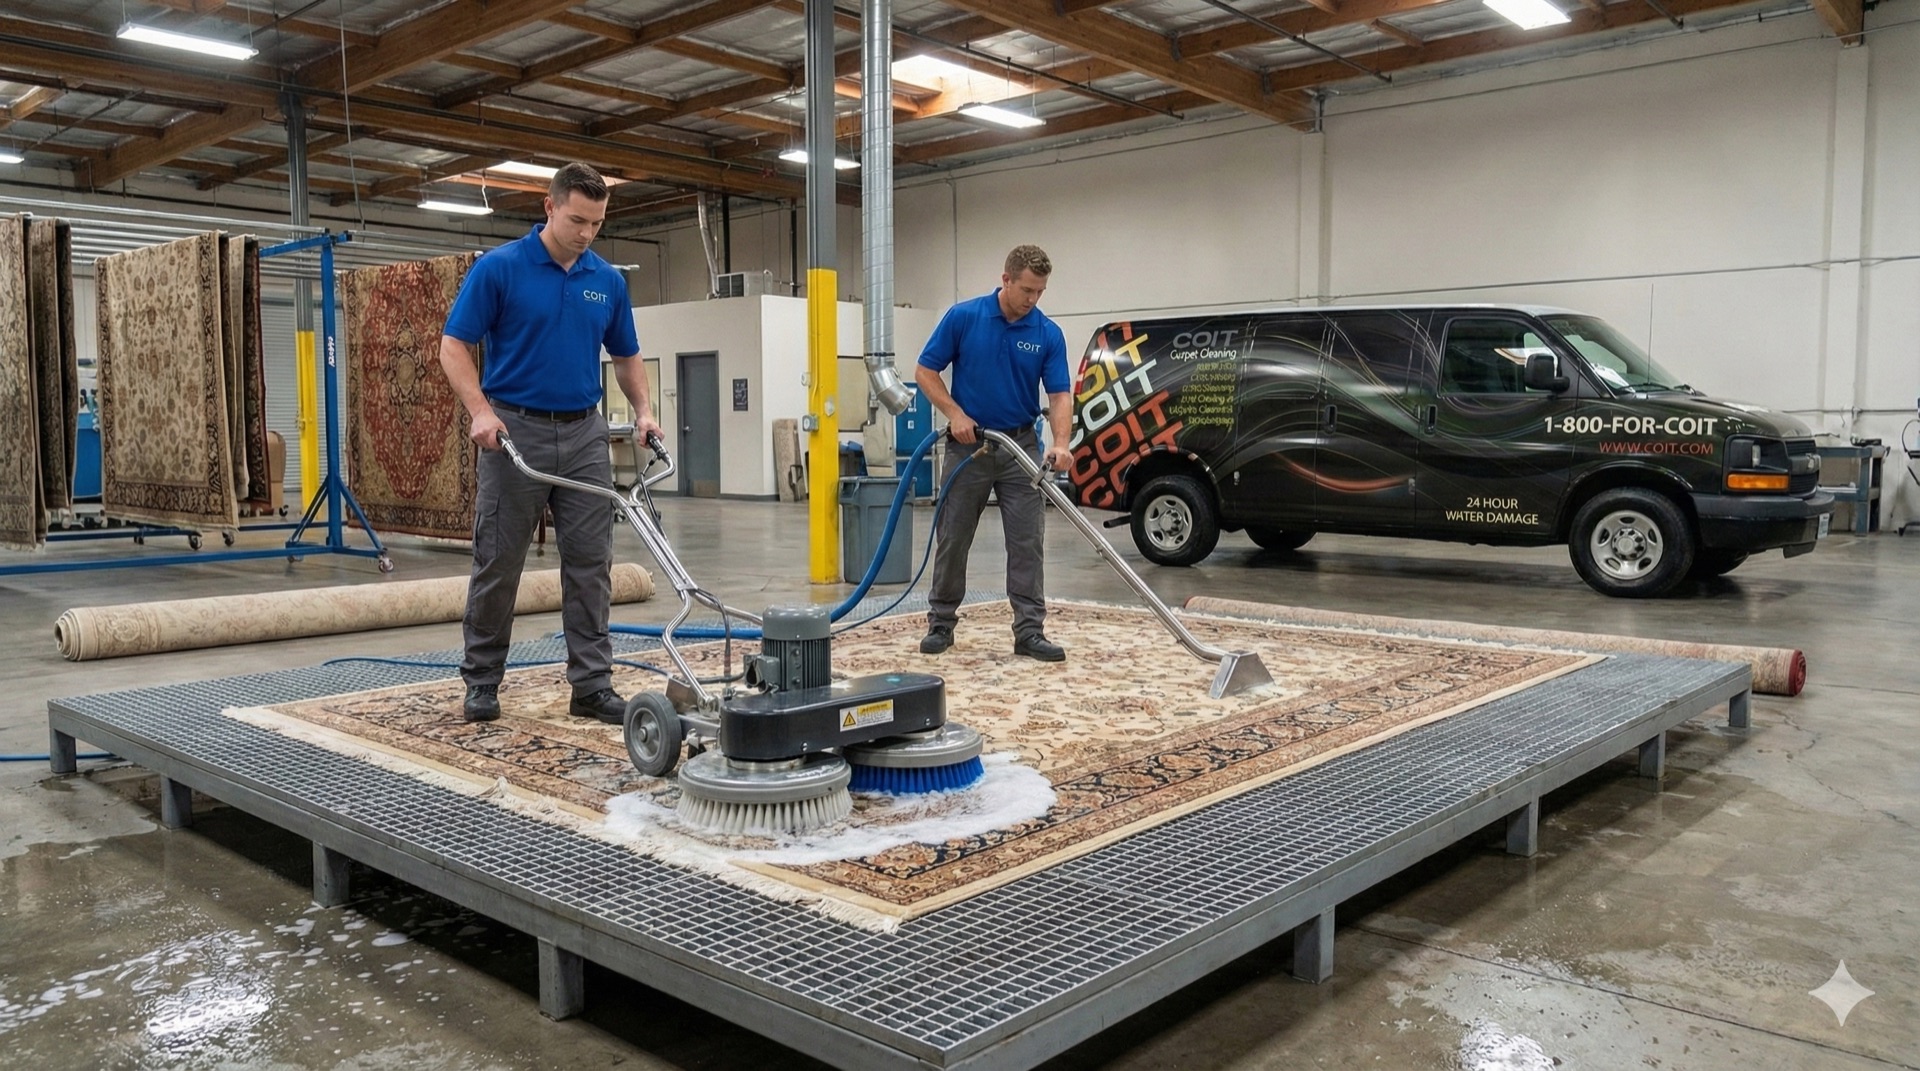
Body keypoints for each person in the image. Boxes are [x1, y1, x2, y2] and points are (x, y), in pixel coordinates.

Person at [438, 162, 661, 723]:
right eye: (577, 220)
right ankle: (482, 680)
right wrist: (480, 411)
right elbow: (453, 346)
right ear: (549, 207)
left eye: (597, 223)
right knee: (499, 560)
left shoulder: (607, 281)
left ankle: (591, 686)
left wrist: (644, 411)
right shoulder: (500, 269)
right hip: (516, 432)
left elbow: (627, 355)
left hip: (585, 433)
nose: (586, 233)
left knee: (591, 563)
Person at [915, 244, 1073, 662]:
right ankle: (941, 622)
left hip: (1021, 448)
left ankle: (1029, 632)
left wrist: (1061, 443)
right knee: (953, 537)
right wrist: (955, 414)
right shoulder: (964, 317)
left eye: (1040, 291)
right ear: (1006, 280)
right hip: (970, 447)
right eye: (1027, 290)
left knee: (1027, 542)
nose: (1033, 299)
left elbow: (1059, 394)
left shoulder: (1047, 333)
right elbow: (925, 371)